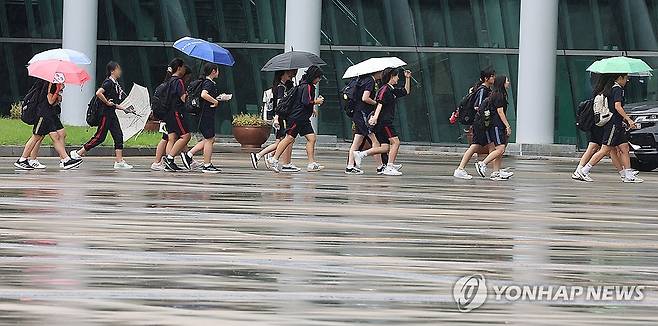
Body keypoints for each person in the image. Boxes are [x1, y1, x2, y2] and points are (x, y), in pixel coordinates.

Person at [576, 73, 642, 183]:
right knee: (605, 149)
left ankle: (628, 174)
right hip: (613, 125)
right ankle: (584, 171)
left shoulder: (611, 88)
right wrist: (628, 119)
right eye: (626, 78)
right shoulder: (617, 89)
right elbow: (617, 106)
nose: (627, 81)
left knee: (625, 147)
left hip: (617, 124)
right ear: (620, 78)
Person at [70, 61, 132, 169]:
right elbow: (99, 93)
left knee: (118, 135)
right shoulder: (108, 82)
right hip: (105, 114)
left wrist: (124, 109)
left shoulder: (115, 84)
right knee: (100, 137)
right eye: (118, 69)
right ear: (113, 71)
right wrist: (107, 102)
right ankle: (78, 153)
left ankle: (119, 161)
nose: (120, 71)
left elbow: (112, 102)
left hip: (111, 114)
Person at [352, 68, 412, 176]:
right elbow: (379, 104)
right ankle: (389, 166)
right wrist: (375, 117)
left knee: (385, 147)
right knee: (396, 142)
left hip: (384, 122)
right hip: (384, 122)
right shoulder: (385, 89)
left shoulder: (391, 89)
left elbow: (406, 91)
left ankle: (361, 154)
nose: (398, 78)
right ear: (391, 76)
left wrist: (408, 78)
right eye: (397, 76)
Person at [14, 81, 82, 170]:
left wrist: (58, 96)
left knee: (56, 136)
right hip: (42, 114)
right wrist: (57, 90)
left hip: (48, 114)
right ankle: (22, 160)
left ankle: (65, 160)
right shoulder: (50, 83)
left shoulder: (51, 83)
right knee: (36, 137)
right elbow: (50, 101)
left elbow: (51, 102)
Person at [269, 65, 325, 173]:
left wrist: (312, 107)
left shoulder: (304, 85)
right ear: (314, 76)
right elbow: (305, 101)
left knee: (312, 138)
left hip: (303, 119)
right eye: (318, 77)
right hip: (297, 118)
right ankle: (274, 159)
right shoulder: (307, 86)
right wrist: (316, 102)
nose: (319, 80)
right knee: (289, 138)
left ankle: (311, 163)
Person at [572, 74, 626, 181]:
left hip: (597, 123)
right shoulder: (609, 90)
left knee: (603, 148)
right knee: (602, 148)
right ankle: (581, 171)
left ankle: (624, 173)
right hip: (602, 124)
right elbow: (614, 107)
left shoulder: (599, 89)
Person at [250, 69, 300, 172]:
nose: (290, 75)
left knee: (281, 142)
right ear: (282, 74)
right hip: (280, 119)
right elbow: (279, 105)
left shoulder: (285, 86)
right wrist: (277, 118)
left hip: (281, 118)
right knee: (281, 142)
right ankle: (260, 155)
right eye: (288, 73)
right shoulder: (280, 87)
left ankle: (267, 156)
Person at [184, 63, 229, 173]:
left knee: (210, 138)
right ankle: (207, 165)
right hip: (205, 115)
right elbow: (204, 95)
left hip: (204, 114)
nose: (218, 72)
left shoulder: (206, 82)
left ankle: (189, 155)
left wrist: (217, 98)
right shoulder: (208, 83)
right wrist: (215, 101)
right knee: (209, 139)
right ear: (213, 71)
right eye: (217, 70)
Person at [453, 68, 496, 179]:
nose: (494, 78)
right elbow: (479, 106)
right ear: (486, 78)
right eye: (492, 76)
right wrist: (486, 117)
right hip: (481, 123)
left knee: (491, 145)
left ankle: (496, 171)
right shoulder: (483, 90)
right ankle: (460, 169)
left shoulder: (486, 89)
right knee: (478, 146)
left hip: (481, 123)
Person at [472, 75, 513, 180]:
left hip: (497, 125)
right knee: (500, 149)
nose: (508, 82)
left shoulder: (498, 94)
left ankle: (496, 172)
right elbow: (500, 111)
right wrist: (507, 126)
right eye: (507, 81)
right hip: (496, 125)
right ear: (502, 83)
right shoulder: (499, 95)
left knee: (500, 149)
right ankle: (483, 164)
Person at [345, 71, 384, 175]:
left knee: (357, 141)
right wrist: (376, 103)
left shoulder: (361, 80)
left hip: (357, 114)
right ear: (377, 72)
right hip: (364, 115)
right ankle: (380, 167)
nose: (382, 74)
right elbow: (365, 97)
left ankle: (350, 167)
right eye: (381, 72)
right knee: (375, 141)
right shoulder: (370, 80)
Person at [161, 58, 194, 172]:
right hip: (176, 112)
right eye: (184, 67)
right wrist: (188, 94)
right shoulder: (179, 81)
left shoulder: (170, 80)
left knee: (172, 137)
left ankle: (168, 163)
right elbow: (183, 98)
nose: (185, 69)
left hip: (168, 113)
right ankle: (170, 159)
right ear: (179, 68)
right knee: (186, 136)